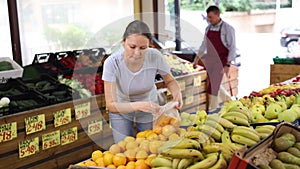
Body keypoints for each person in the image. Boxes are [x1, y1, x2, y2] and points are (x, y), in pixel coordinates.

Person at [102, 20, 183, 143]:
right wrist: (140, 105)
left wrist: (177, 94)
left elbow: (170, 81)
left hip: (150, 107)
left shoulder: (155, 56)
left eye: (143, 48)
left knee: (151, 146)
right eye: (132, 47)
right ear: (123, 42)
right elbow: (111, 105)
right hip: (121, 107)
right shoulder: (112, 63)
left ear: (149, 45)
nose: (137, 53)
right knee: (124, 148)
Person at [193, 5, 236, 113]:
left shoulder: (228, 29)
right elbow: (204, 44)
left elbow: (232, 47)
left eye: (211, 17)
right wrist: (196, 59)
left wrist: (228, 65)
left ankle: (212, 110)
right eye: (208, 17)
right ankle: (229, 101)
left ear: (218, 15)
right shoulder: (208, 28)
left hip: (221, 60)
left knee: (214, 86)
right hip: (210, 60)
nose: (209, 19)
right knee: (213, 84)